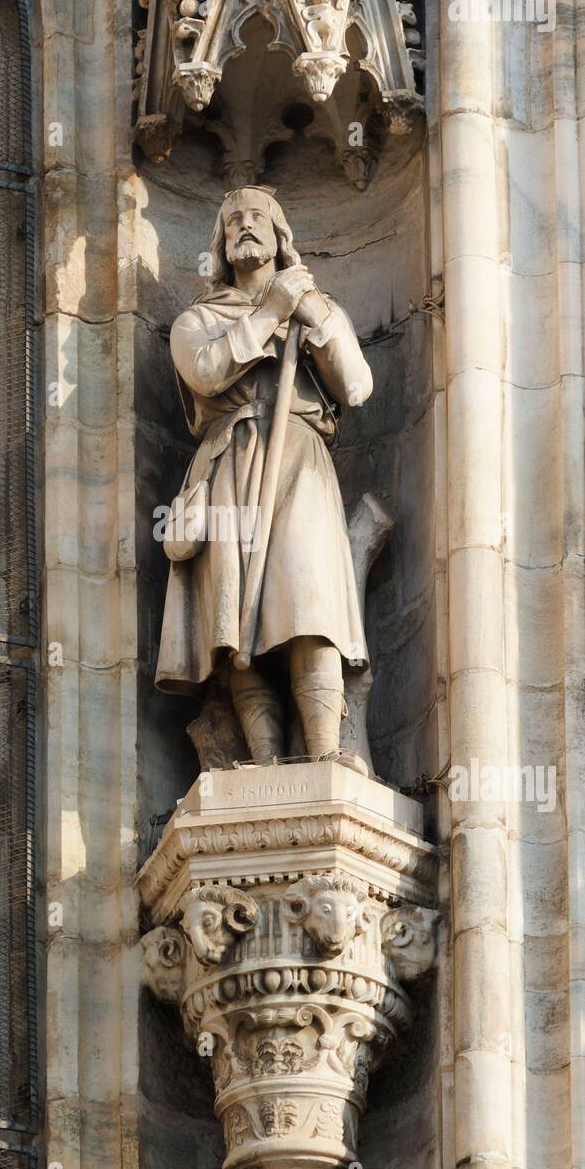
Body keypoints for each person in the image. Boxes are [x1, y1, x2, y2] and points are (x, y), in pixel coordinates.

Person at [155, 185, 373, 763]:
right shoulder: (200, 319)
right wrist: (270, 312)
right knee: (233, 619)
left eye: (257, 218)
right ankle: (263, 759)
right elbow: (206, 372)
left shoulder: (318, 307)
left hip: (300, 459)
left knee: (309, 597)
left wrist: (310, 314)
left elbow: (356, 386)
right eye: (233, 221)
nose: (244, 227)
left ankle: (325, 753)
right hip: (230, 462)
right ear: (222, 243)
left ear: (280, 238)